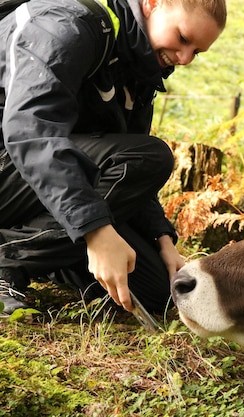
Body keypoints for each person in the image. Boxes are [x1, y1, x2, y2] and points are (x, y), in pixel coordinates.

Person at [0, 0, 227, 315]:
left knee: (155, 289)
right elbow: (31, 133)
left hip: (30, 184)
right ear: (151, 4)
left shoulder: (137, 67)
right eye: (183, 38)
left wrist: (162, 236)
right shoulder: (66, 27)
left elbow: (124, 171)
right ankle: (9, 260)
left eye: (197, 52)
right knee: (153, 157)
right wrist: (95, 229)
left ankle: (40, 251)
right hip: (15, 159)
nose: (185, 58)